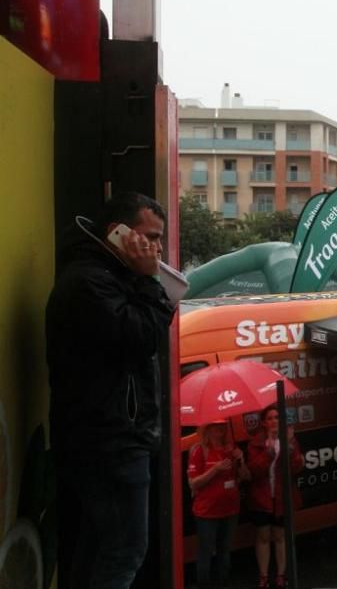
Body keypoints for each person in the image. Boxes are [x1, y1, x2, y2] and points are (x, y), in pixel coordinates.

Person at [46, 192, 175, 588]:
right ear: (116, 233)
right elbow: (139, 336)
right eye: (148, 237)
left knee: (97, 547)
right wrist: (152, 281)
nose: (155, 249)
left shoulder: (105, 276)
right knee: (125, 551)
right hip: (110, 441)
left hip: (106, 437)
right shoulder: (90, 282)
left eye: (158, 240)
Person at [247, 405, 305, 589]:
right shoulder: (255, 443)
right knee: (263, 536)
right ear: (263, 423)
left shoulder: (289, 440)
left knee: (280, 536)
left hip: (282, 498)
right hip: (261, 498)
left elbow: (297, 467)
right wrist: (268, 453)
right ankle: (263, 577)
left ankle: (281, 575)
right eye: (270, 418)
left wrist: (288, 445)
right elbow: (254, 471)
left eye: (277, 418)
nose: (274, 421)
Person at [187, 421, 250, 587]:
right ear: (207, 428)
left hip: (230, 510)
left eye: (223, 425)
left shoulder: (231, 448)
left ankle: (223, 583)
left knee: (225, 551)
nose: (220, 428)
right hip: (207, 513)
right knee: (205, 552)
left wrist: (241, 460)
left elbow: (246, 477)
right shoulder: (199, 450)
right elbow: (193, 483)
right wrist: (216, 469)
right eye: (215, 425)